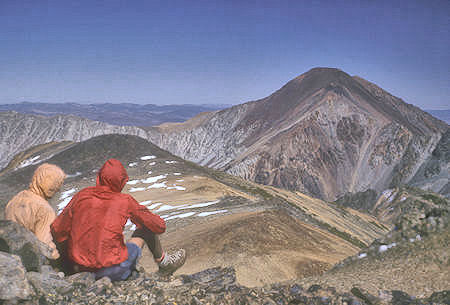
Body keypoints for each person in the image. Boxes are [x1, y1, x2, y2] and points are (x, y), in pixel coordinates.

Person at [51, 158, 186, 281]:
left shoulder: (82, 195)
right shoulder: (125, 201)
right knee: (145, 229)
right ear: (122, 181)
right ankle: (165, 263)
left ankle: (70, 270)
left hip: (79, 269)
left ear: (99, 177)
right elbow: (159, 226)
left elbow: (57, 230)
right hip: (113, 271)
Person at [5, 163, 66, 259]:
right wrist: (58, 257)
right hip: (30, 258)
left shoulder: (15, 200)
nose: (58, 189)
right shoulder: (45, 210)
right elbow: (44, 244)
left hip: (10, 254)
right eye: (58, 183)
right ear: (50, 185)